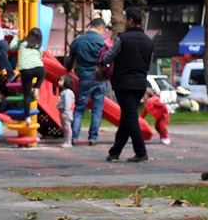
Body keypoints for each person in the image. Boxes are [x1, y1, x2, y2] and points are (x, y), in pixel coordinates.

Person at [104, 8, 154, 163]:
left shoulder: (122, 39)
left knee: (130, 118)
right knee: (127, 118)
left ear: (131, 21)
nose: (125, 22)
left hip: (123, 83)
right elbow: (148, 64)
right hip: (140, 84)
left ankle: (141, 152)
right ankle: (115, 152)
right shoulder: (149, 41)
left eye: (127, 20)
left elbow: (107, 57)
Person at [66, 18, 108, 146]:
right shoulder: (103, 42)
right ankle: (93, 138)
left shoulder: (78, 41)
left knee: (79, 109)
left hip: (84, 78)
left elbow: (70, 61)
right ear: (101, 28)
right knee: (97, 109)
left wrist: (68, 69)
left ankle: (74, 136)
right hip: (100, 79)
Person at [9, 28, 45, 124]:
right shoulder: (39, 46)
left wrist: (15, 36)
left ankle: (27, 117)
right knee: (43, 73)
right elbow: (41, 57)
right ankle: (37, 88)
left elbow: (12, 47)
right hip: (38, 68)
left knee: (27, 95)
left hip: (26, 70)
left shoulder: (22, 43)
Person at [57, 75, 75, 148]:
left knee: (67, 127)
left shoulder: (67, 92)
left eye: (61, 80)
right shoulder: (64, 91)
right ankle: (66, 141)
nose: (59, 82)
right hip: (63, 111)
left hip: (66, 112)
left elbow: (68, 103)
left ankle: (68, 142)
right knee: (65, 127)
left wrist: (65, 112)